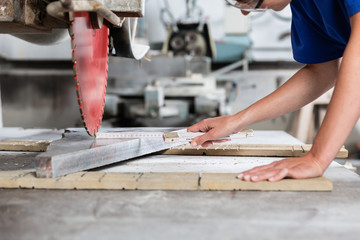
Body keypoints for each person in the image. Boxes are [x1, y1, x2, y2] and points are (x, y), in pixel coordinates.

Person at [188, 0, 360, 182]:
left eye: (252, 3)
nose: (246, 14)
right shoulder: (305, 4)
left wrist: (317, 158)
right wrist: (236, 121)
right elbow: (321, 72)